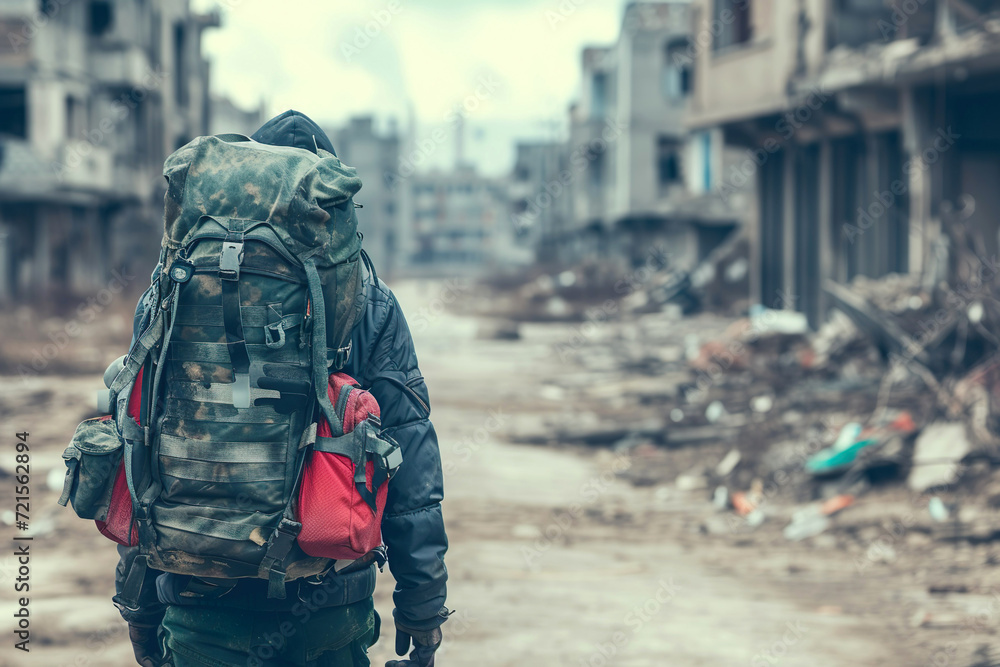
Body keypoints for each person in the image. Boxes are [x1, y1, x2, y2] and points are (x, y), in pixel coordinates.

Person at [116, 110, 450, 667]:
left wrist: (140, 607)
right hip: (326, 604)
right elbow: (411, 460)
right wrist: (423, 607)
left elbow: (141, 442)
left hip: (198, 597)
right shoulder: (368, 302)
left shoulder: (174, 290)